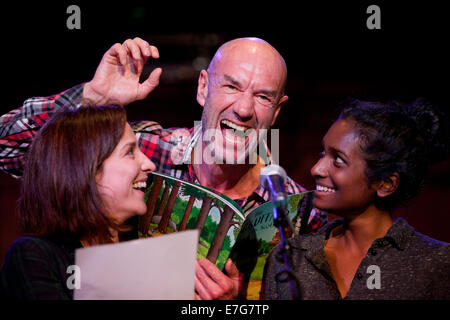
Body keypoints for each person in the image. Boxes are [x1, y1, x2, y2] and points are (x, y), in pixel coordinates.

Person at [0, 37, 327, 299]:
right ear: (203, 88)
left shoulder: (297, 213)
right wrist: (92, 96)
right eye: (231, 86)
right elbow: (10, 148)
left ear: (277, 111)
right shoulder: (143, 148)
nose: (243, 108)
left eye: (262, 97)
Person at [262, 98, 450, 299]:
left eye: (338, 160)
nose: (316, 169)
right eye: (322, 153)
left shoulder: (435, 264)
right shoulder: (291, 258)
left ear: (385, 184)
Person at [0, 105, 156, 299]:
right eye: (129, 152)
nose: (150, 164)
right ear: (85, 170)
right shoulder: (37, 257)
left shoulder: (143, 252)